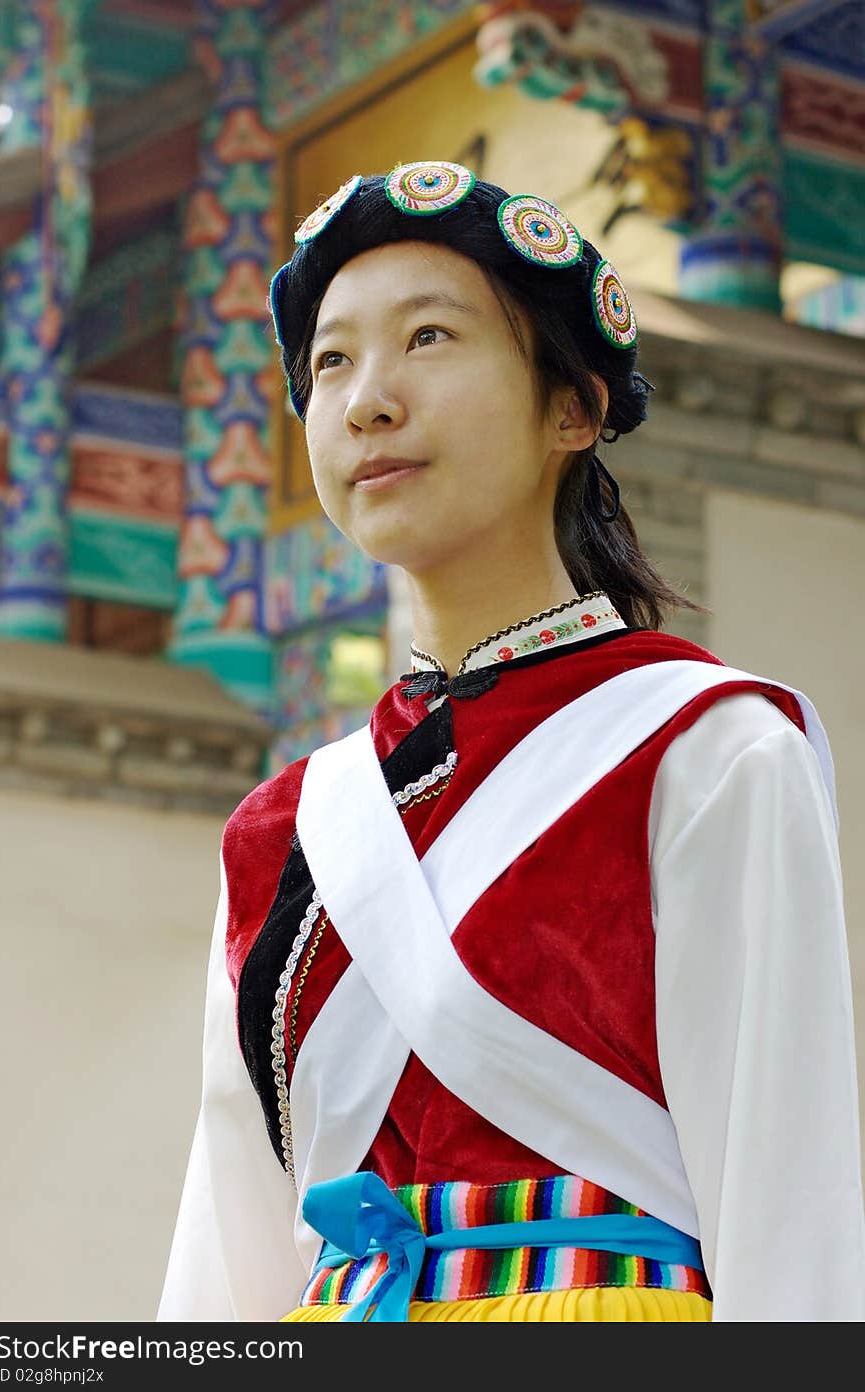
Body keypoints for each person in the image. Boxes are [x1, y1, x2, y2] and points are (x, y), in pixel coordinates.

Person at [157, 162, 865, 1323]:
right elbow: (228, 1240)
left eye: (428, 338)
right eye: (330, 361)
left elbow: (788, 1204)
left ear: (572, 409)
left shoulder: (705, 748)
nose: (367, 401)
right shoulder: (282, 829)